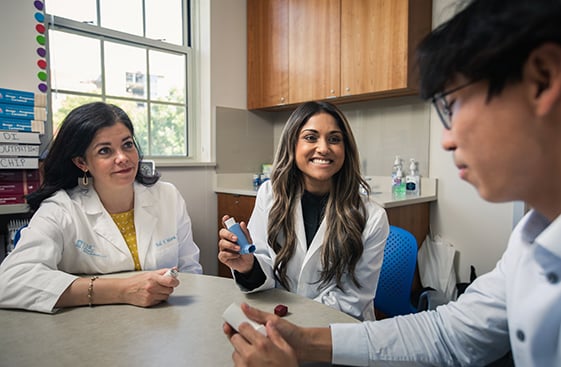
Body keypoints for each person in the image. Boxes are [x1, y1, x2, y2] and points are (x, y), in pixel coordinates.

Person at [223, 0, 561, 365]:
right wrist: (301, 341)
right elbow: (450, 336)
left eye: (453, 104)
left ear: (541, 79)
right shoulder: (530, 241)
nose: (446, 139)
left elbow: (357, 304)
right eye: (310, 138)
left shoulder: (369, 214)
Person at [0, 102, 202, 313]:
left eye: (127, 145)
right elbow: (9, 282)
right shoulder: (61, 209)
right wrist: (122, 290)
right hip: (94, 331)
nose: (123, 158)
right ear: (82, 163)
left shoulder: (167, 196)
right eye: (105, 151)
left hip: (166, 323)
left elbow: (191, 270)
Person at [218, 101, 389, 321]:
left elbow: (352, 299)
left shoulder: (372, 217)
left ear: (346, 149)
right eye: (311, 137)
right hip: (279, 321)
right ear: (292, 144)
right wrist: (249, 266)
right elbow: (264, 262)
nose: (324, 148)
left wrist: (292, 321)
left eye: (335, 139)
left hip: (338, 333)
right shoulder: (270, 195)